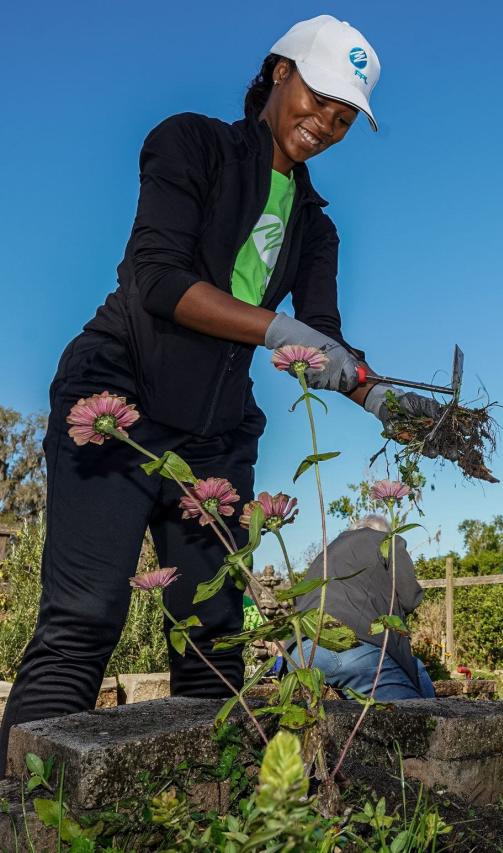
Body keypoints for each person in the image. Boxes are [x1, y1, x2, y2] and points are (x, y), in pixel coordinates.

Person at [0, 16, 445, 766]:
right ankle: (17, 810)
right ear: (280, 73)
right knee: (85, 617)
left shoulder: (314, 226)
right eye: (319, 96)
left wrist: (380, 398)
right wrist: (277, 331)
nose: (325, 123)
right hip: (118, 401)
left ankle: (207, 803)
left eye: (344, 116)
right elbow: (159, 279)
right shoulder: (191, 144)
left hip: (212, 432)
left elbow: (323, 339)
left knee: (212, 637)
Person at [289, 516, 435, 699]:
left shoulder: (326, 553)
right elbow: (410, 597)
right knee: (416, 720)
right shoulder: (387, 542)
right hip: (350, 649)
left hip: (300, 653)